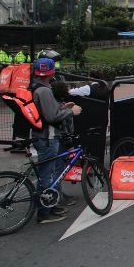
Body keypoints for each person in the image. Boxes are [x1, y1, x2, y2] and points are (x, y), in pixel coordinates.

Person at [30, 58, 82, 223]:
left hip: (41, 135)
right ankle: (44, 213)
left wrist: (62, 107)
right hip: (48, 137)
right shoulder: (44, 91)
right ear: (52, 72)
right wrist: (71, 112)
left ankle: (50, 205)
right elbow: (51, 116)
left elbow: (48, 111)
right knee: (47, 175)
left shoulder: (35, 87)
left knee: (47, 173)